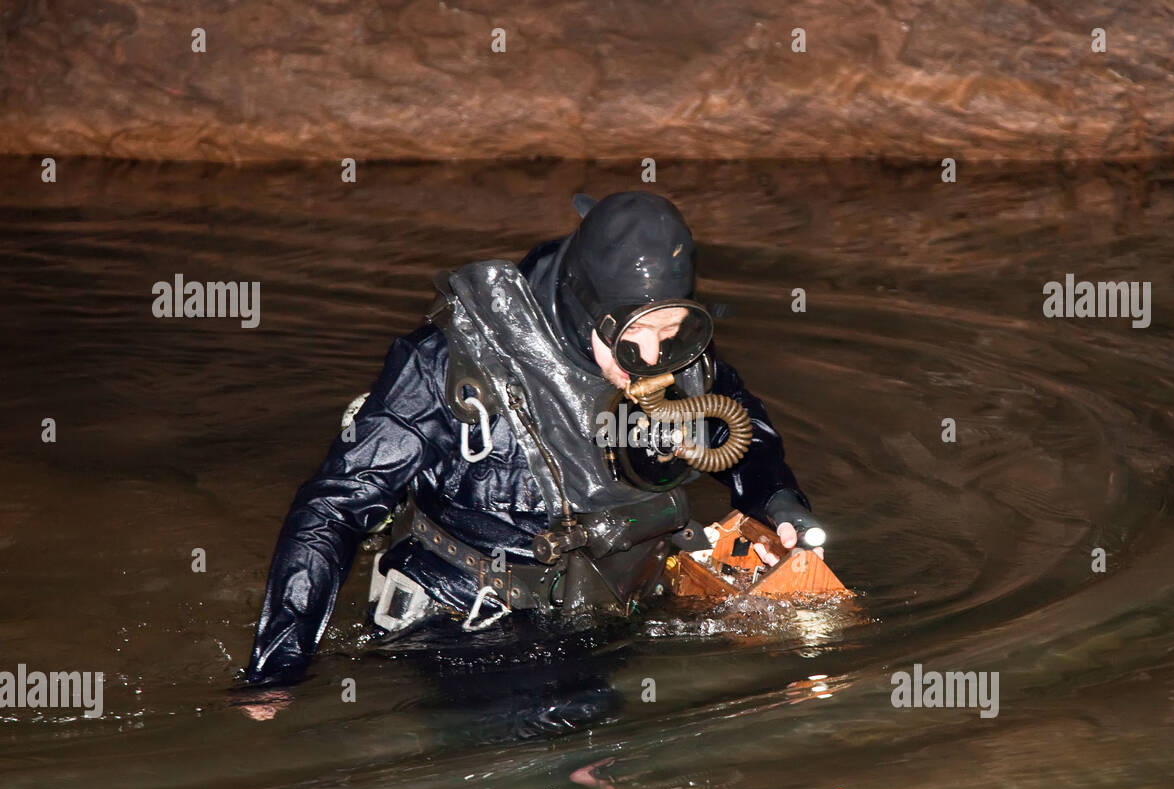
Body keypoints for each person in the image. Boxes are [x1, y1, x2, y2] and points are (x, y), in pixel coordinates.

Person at [242, 190, 824, 690]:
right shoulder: (450, 362)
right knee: (564, 740)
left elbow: (741, 430)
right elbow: (331, 509)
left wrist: (778, 502)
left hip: (621, 603)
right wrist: (275, 674)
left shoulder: (678, 354)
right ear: (583, 308)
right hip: (470, 624)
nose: (651, 360)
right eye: (634, 334)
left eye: (670, 330)